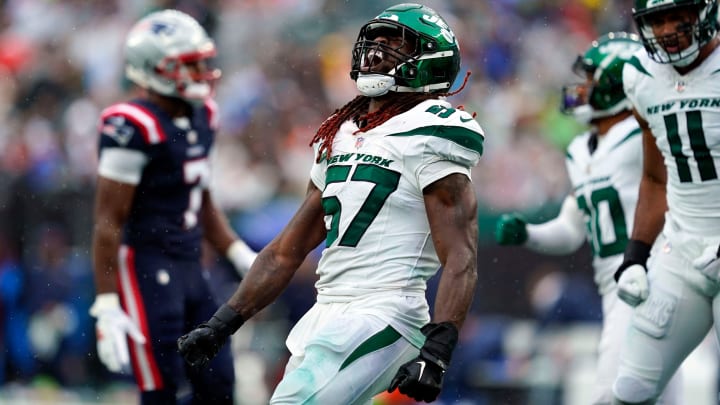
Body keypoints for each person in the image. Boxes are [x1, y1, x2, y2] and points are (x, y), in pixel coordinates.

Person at [177, 3, 485, 404]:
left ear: (430, 59)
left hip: (385, 310)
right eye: (374, 40)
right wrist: (222, 323)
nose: (377, 50)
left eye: (395, 43)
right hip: (327, 311)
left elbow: (461, 254)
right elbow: (286, 251)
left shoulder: (434, 129)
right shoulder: (342, 132)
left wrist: (437, 350)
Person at [495, 32, 682, 405]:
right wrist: (528, 233)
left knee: (614, 393)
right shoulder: (583, 149)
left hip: (653, 274)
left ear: (620, 83)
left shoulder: (643, 135)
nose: (584, 87)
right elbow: (571, 228)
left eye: (594, 78)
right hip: (615, 285)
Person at [90, 9, 257, 404]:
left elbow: (200, 198)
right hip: (146, 267)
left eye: (202, 62)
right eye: (189, 64)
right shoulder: (131, 125)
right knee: (160, 388)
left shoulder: (204, 115)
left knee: (218, 383)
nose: (202, 71)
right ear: (154, 69)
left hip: (191, 264)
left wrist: (237, 253)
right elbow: (108, 221)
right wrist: (106, 302)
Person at [610, 1, 720, 403]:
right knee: (630, 391)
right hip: (682, 248)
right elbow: (655, 177)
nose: (669, 30)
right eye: (657, 20)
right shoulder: (641, 75)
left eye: (679, 16)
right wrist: (636, 256)